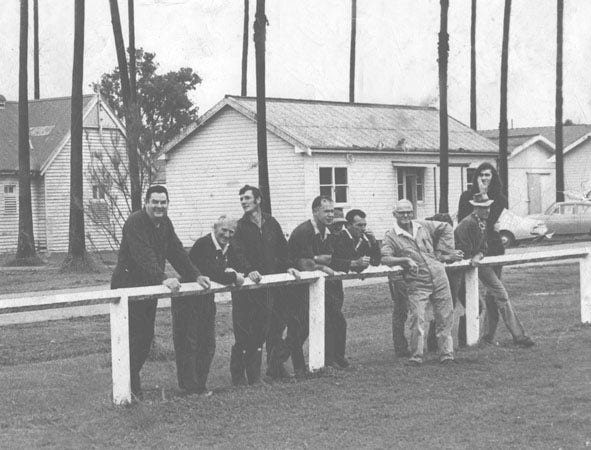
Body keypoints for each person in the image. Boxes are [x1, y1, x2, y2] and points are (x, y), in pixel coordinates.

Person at [110, 185, 210, 400]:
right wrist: (163, 278)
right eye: (155, 202)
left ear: (167, 204)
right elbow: (143, 255)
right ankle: (128, 391)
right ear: (146, 202)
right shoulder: (135, 222)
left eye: (163, 202)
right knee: (134, 339)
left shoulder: (165, 223)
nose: (159, 206)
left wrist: (196, 274)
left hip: (149, 288)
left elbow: (176, 250)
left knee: (144, 340)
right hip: (128, 287)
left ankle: (131, 388)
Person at [229, 185, 300, 385]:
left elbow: (282, 249)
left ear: (258, 200)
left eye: (247, 198)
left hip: (272, 286)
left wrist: (289, 267)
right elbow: (237, 252)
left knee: (275, 328)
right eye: (241, 198)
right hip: (249, 288)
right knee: (248, 332)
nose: (243, 201)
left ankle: (275, 368)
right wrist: (248, 269)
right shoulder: (239, 227)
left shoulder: (271, 222)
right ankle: (242, 376)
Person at [457, 162, 532, 346]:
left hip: (495, 250)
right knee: (495, 293)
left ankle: (487, 337)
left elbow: (490, 220)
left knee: (493, 295)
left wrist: (486, 199)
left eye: (487, 175)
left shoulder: (499, 198)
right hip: (476, 252)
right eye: (480, 175)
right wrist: (481, 195)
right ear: (476, 177)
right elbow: (468, 221)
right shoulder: (466, 196)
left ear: (493, 177)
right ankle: (517, 335)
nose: (484, 178)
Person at [381, 199, 462, 366]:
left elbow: (446, 228)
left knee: (445, 315)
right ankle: (416, 356)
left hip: (438, 275)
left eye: (409, 212)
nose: (406, 215)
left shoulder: (422, 225)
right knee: (417, 317)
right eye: (401, 212)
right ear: (394, 214)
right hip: (417, 280)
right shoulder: (391, 236)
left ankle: (446, 354)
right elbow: (385, 257)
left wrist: (443, 253)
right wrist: (404, 260)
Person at [171, 216, 245, 396]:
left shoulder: (227, 247)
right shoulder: (203, 245)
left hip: (205, 299)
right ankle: (190, 388)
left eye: (231, 232)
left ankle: (200, 385)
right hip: (188, 300)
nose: (227, 235)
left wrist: (239, 271)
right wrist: (234, 277)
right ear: (215, 228)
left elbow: (237, 264)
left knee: (208, 343)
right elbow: (213, 273)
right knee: (189, 344)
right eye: (224, 230)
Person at [286, 196, 350, 375]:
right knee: (298, 327)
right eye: (326, 211)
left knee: (330, 320)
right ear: (315, 211)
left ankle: (329, 360)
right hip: (295, 285)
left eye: (332, 211)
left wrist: (319, 261)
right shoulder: (304, 231)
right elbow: (304, 264)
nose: (330, 215)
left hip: (314, 285)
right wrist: (320, 265)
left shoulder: (326, 231)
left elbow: (328, 257)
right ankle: (294, 367)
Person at [330, 209, 381, 367]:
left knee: (337, 321)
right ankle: (333, 358)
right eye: (359, 225)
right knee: (336, 321)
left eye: (365, 225)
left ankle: (337, 357)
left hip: (337, 284)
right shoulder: (340, 238)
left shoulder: (364, 240)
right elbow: (335, 259)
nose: (363, 228)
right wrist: (354, 263)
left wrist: (374, 243)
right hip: (329, 281)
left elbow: (376, 261)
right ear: (350, 225)